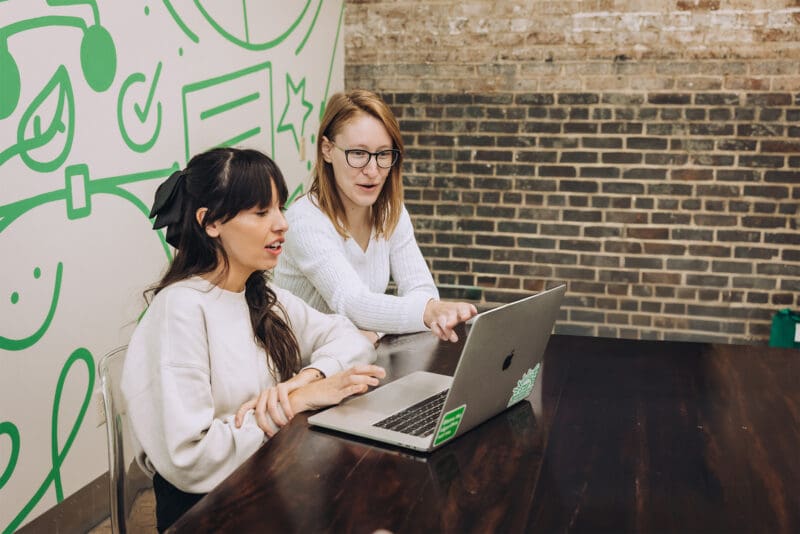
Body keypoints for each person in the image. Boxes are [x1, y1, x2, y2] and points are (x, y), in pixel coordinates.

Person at [121, 147, 385, 532]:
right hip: (208, 509)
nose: (282, 224)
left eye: (280, 208)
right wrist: (292, 404)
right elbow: (189, 460)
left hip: (267, 477)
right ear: (210, 222)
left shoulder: (258, 294)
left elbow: (350, 336)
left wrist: (306, 379)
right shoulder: (180, 309)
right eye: (262, 212)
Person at [274, 89, 478, 344]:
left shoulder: (390, 212)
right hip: (300, 368)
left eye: (383, 154)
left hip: (357, 358)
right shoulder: (305, 221)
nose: (372, 171)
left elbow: (421, 289)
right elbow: (352, 303)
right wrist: (426, 312)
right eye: (358, 153)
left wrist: (377, 328)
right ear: (327, 150)